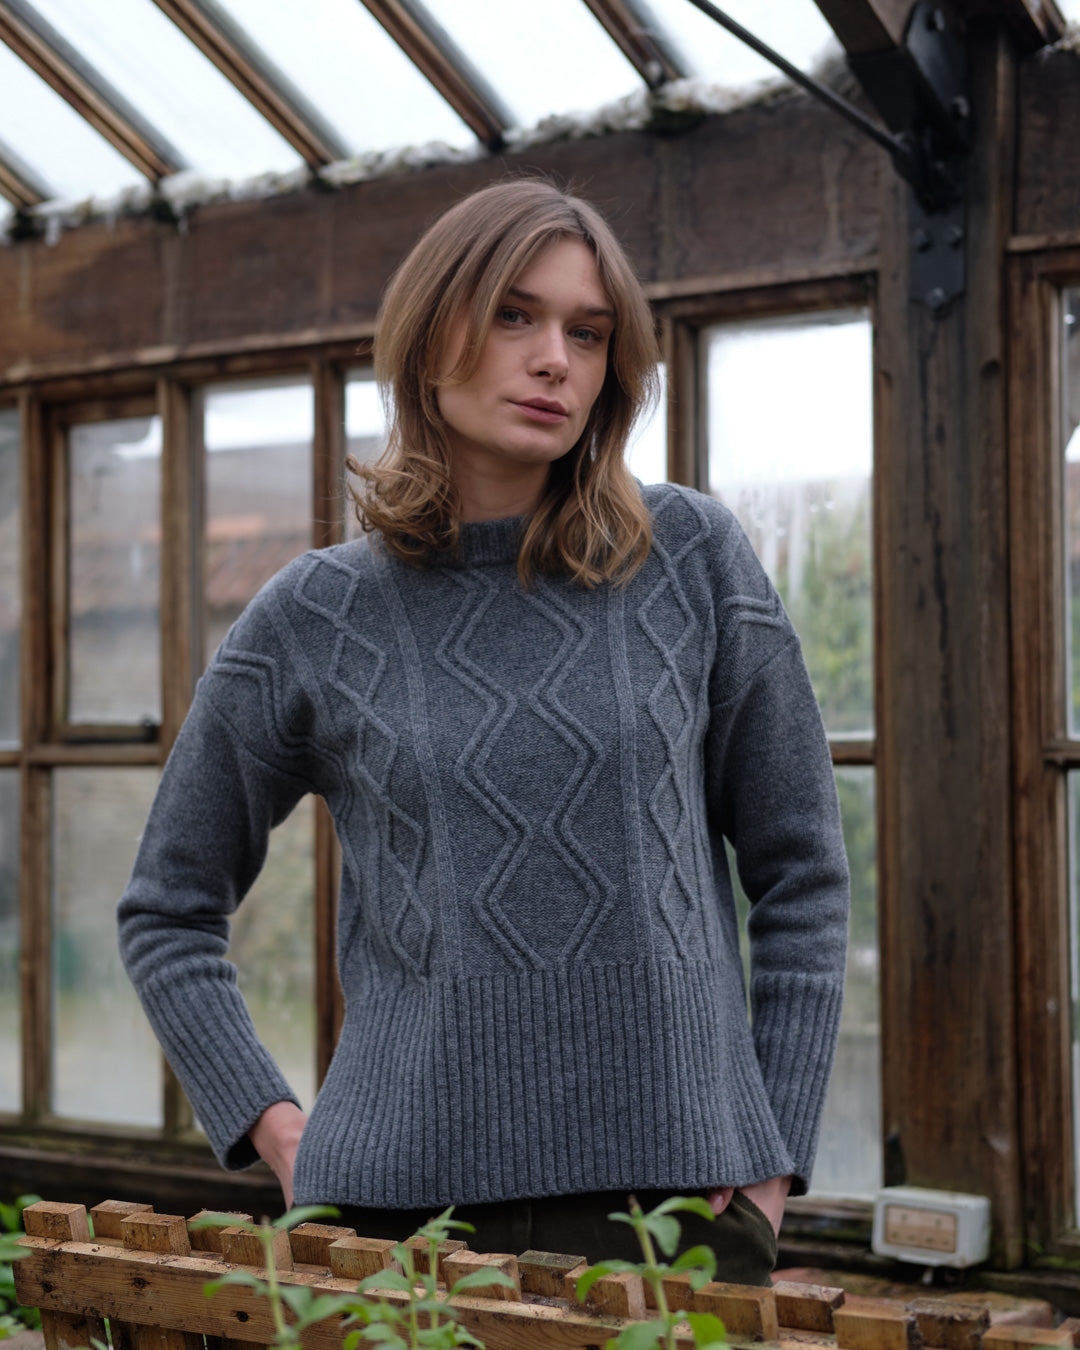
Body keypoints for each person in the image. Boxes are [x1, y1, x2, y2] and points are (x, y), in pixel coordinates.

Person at [118, 177, 849, 1288]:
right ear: (429, 337)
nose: (554, 359)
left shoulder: (692, 558)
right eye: (515, 315)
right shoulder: (316, 615)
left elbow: (803, 872)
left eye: (587, 333)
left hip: (677, 1216)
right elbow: (167, 909)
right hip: (398, 1225)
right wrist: (276, 1124)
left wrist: (774, 1153)